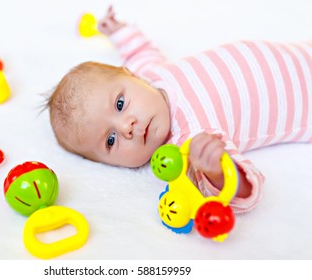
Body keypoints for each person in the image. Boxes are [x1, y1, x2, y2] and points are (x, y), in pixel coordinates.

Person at [47, 6, 312, 214]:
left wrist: (119, 32)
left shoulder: (149, 74)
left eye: (119, 104)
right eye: (111, 140)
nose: (126, 126)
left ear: (131, 77)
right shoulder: (188, 143)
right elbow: (245, 192)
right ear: (108, 164)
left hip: (299, 51)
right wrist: (216, 172)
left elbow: (139, 51)